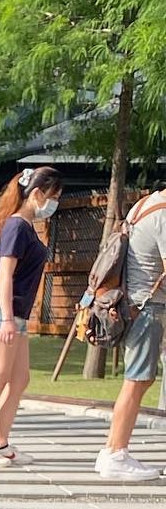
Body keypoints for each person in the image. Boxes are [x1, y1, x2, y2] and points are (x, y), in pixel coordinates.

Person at [0, 164, 63, 468]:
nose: (53, 203)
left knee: (19, 379)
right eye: (53, 196)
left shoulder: (26, 227)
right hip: (4, 312)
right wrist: (7, 318)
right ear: (37, 194)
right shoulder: (17, 226)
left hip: (17, 313)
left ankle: (2, 442)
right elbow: (5, 274)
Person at [97, 188, 166, 481]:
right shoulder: (163, 212)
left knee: (142, 378)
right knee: (137, 380)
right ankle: (115, 453)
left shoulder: (144, 204)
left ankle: (112, 451)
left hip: (135, 304)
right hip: (146, 306)